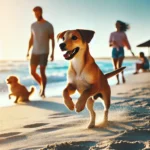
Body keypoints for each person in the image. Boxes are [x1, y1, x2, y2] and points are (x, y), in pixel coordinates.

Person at [27, 6, 55, 97]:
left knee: (42, 71)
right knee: (32, 72)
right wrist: (28, 51)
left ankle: (43, 91)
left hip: (44, 51)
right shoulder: (33, 25)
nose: (36, 15)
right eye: (34, 13)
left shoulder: (48, 25)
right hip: (34, 51)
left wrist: (52, 53)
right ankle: (41, 85)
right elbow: (31, 38)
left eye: (37, 13)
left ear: (41, 12)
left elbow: (52, 39)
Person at [109, 20, 134, 85]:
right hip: (114, 50)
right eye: (115, 24)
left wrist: (131, 51)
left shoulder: (123, 33)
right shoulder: (112, 34)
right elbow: (109, 44)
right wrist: (112, 43)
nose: (116, 25)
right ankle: (117, 81)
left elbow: (127, 42)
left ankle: (122, 76)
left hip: (121, 49)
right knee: (115, 67)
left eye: (117, 24)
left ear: (120, 25)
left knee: (119, 65)